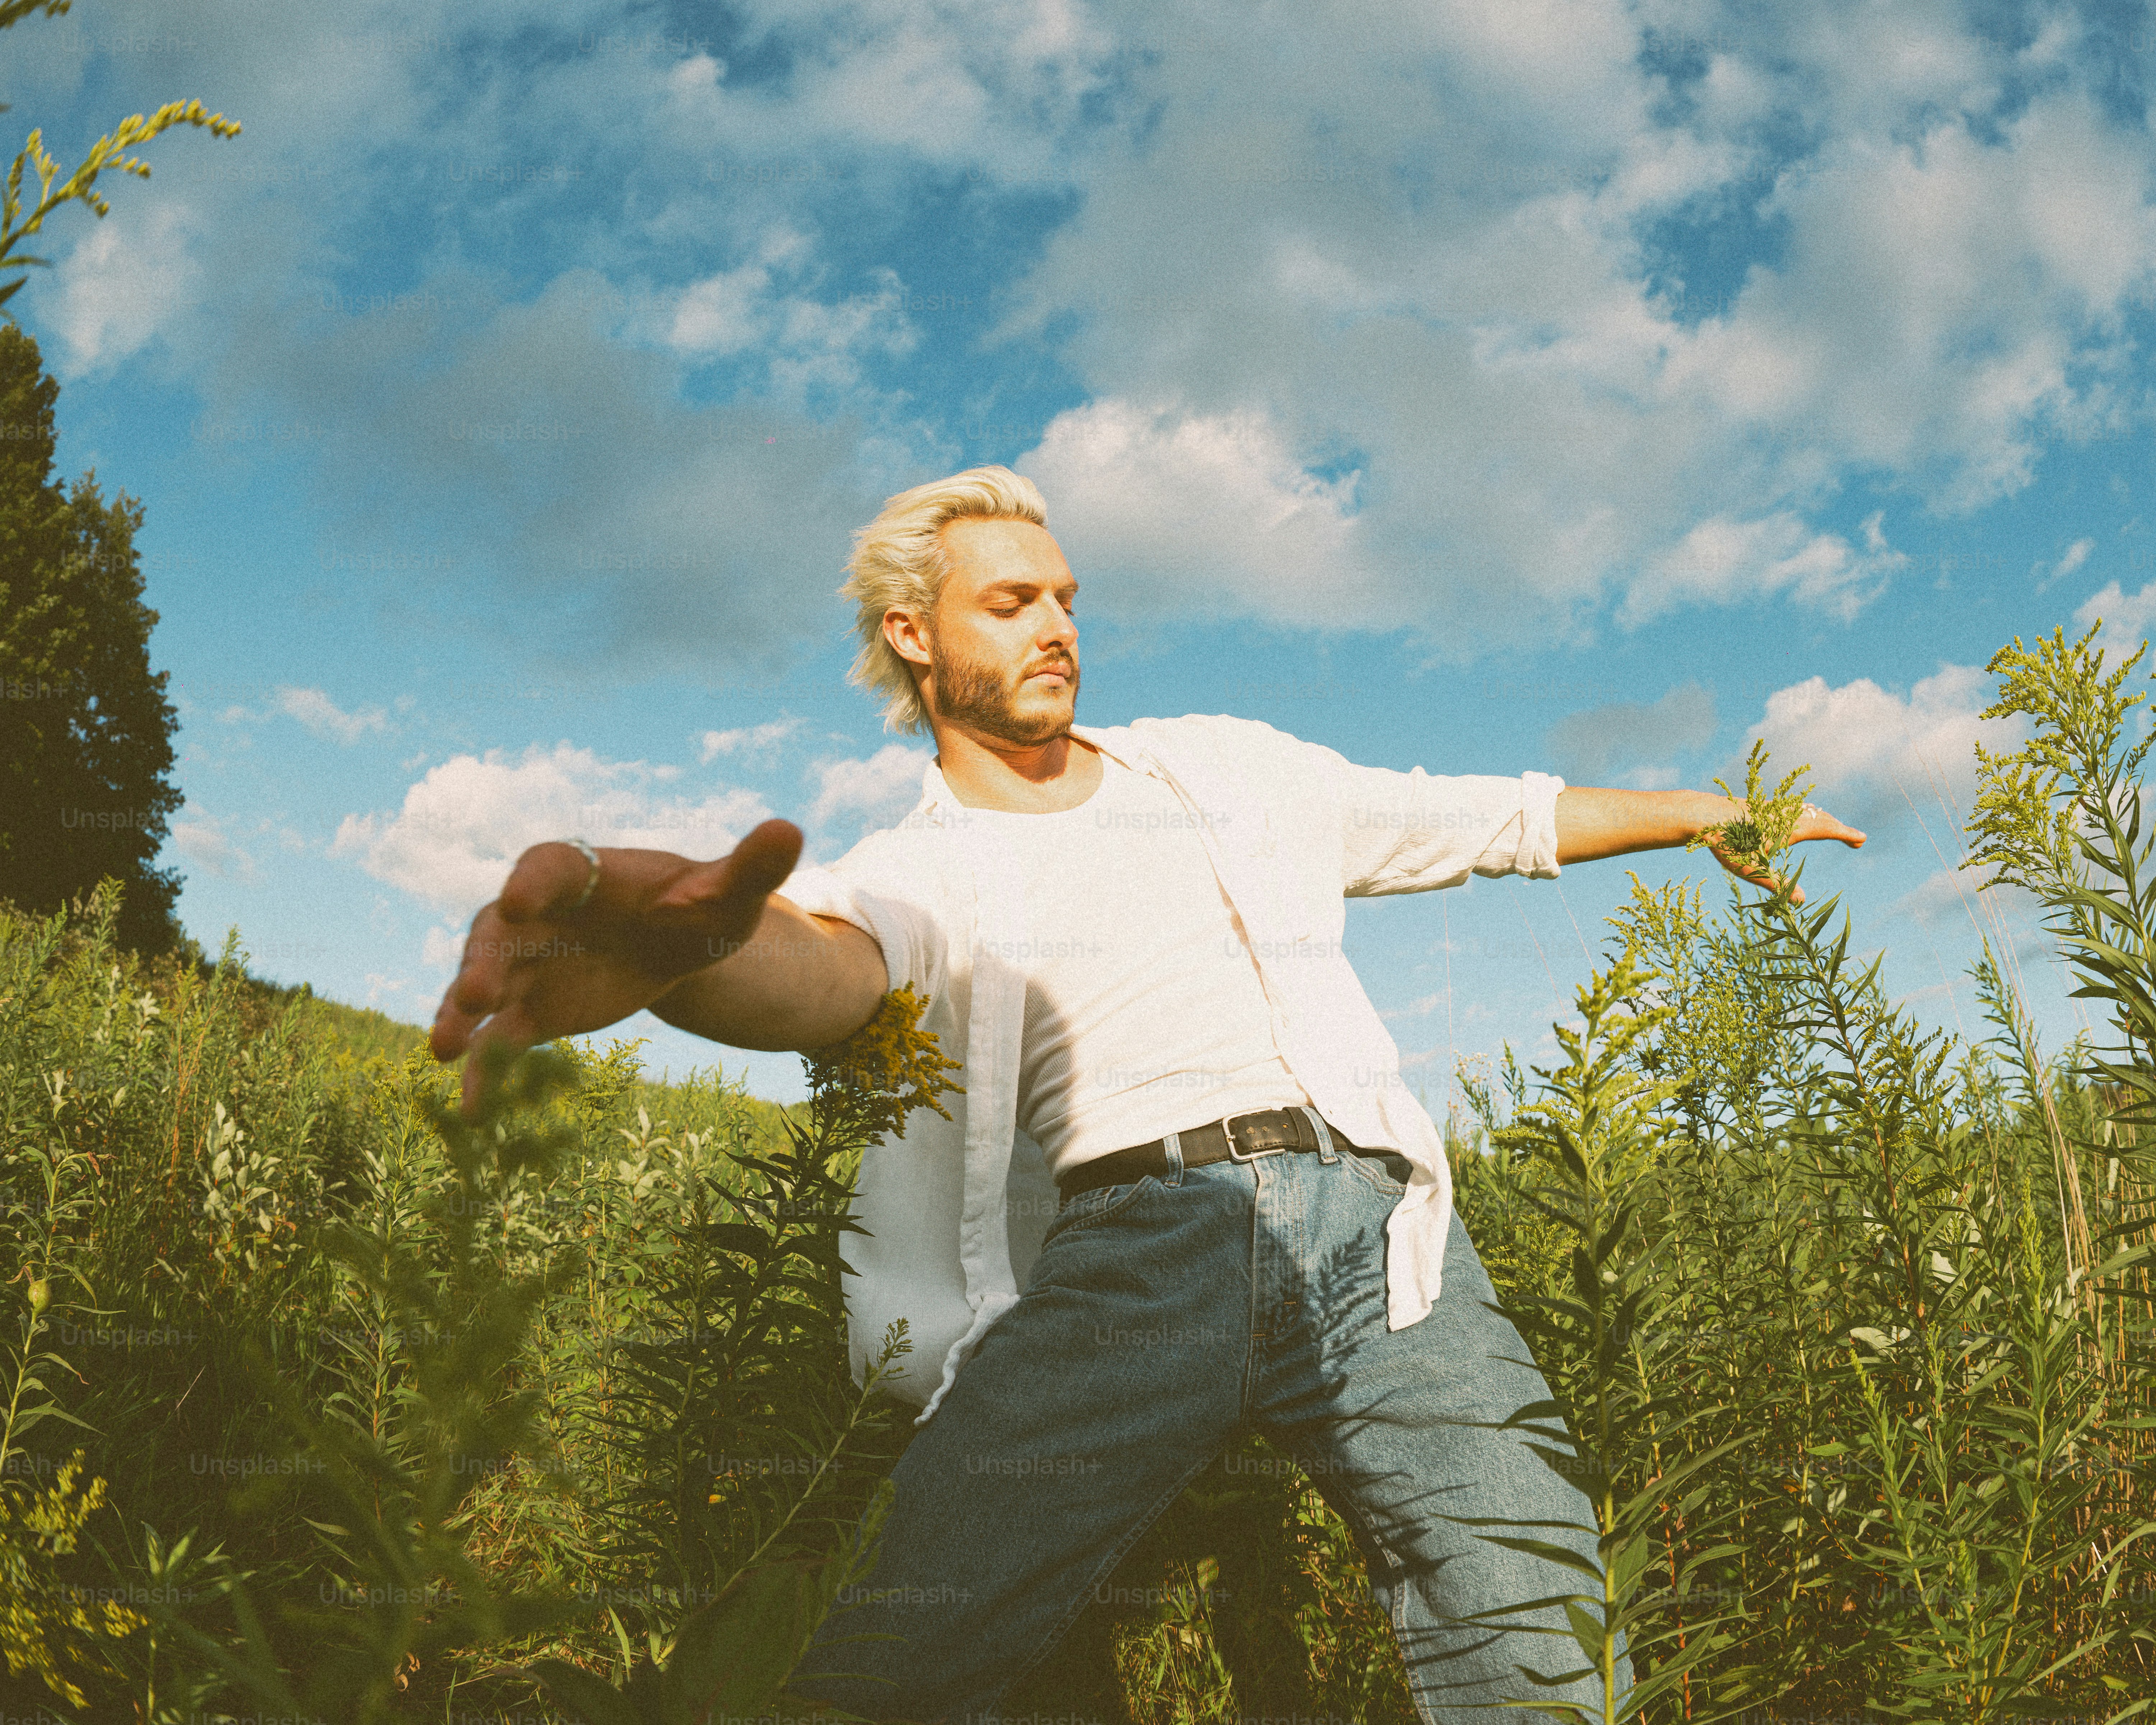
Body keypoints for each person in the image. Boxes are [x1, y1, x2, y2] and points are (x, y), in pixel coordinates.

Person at [429, 466, 1865, 1721]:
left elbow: (1483, 814)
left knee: (1536, 1614)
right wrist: (679, 952)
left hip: (1377, 1235)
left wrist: (1701, 810)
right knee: (900, 1640)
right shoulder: (915, 871)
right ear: (912, 635)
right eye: (1009, 602)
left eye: (1064, 596)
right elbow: (816, 972)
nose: (1055, 623)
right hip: (1136, 1247)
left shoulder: (1225, 770)